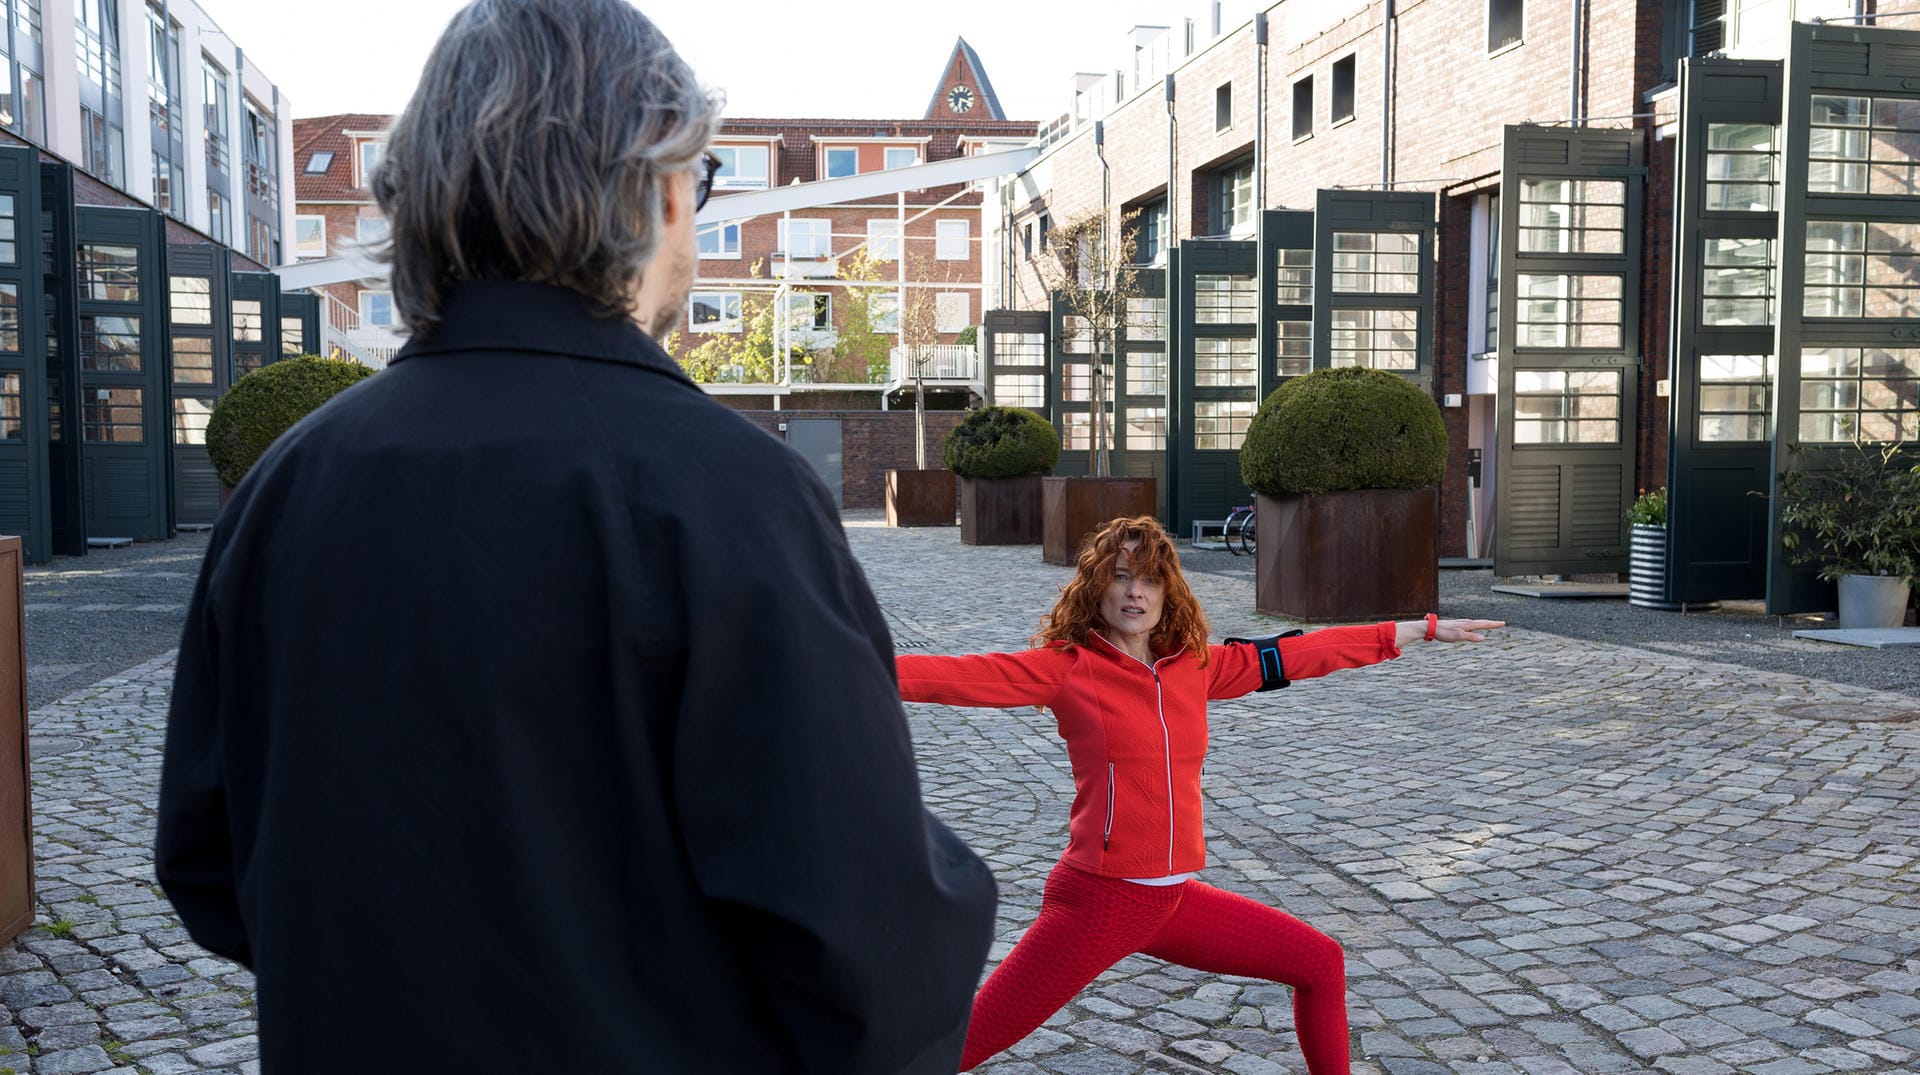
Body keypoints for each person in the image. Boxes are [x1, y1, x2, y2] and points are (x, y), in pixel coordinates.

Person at [154, 1, 996, 1070]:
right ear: (653, 189)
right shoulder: (731, 495)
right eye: (702, 180)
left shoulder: (284, 485)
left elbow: (206, 862)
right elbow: (865, 943)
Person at [896, 516, 1504, 1072]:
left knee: (1320, 964)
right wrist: (829, 663)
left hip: (1173, 902)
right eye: (1121, 577)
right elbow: (954, 676)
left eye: (1151, 581)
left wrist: (1415, 629)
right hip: (1100, 901)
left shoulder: (1195, 668)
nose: (1136, 592)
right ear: (1096, 589)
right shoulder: (1068, 667)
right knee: (959, 1047)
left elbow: (1299, 652)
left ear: (1168, 594)